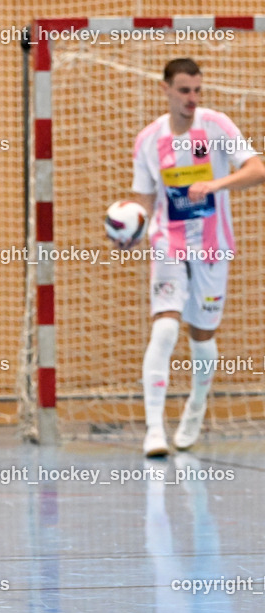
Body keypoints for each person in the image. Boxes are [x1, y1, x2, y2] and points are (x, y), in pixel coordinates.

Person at [130, 58, 265, 457]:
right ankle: (154, 431)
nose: (192, 98)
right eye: (184, 90)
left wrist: (215, 184)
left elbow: (257, 170)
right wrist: (130, 229)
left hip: (212, 246)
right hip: (168, 244)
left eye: (197, 90)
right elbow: (144, 200)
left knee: (201, 335)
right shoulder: (149, 139)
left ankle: (196, 407)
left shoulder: (217, 125)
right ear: (166, 89)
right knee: (166, 328)